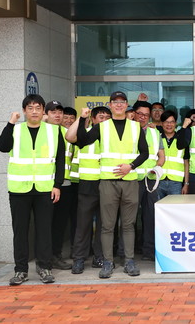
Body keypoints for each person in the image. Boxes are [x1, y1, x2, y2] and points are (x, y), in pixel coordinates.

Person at [74, 91, 149, 279]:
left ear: (126, 105)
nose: (119, 104)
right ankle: (107, 262)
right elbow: (82, 141)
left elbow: (145, 153)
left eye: (122, 102)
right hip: (108, 181)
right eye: (115, 102)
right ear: (110, 105)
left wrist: (131, 166)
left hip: (130, 181)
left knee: (129, 224)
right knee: (107, 226)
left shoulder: (136, 127)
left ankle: (129, 261)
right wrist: (83, 119)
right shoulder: (102, 127)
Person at [0, 94, 64, 286]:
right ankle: (20, 270)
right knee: (20, 231)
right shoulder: (16, 130)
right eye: (30, 108)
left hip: (45, 189)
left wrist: (57, 185)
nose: (34, 111)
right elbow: (2, 147)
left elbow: (60, 160)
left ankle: (45, 268)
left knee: (44, 230)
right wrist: (10, 123)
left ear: (43, 111)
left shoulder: (53, 131)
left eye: (38, 108)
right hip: (19, 189)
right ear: (24, 111)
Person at [65, 106, 111, 274]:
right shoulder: (84, 133)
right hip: (87, 184)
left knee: (104, 225)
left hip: (107, 184)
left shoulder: (112, 136)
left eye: (107, 117)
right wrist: (81, 117)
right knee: (83, 224)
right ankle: (79, 259)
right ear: (93, 119)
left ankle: (99, 257)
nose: (104, 120)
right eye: (101, 117)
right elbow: (69, 136)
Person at [45, 100, 76, 271]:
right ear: (46, 114)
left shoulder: (66, 134)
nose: (58, 115)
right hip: (44, 185)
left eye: (60, 112)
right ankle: (45, 258)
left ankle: (56, 256)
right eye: (53, 112)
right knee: (45, 224)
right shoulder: (42, 131)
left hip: (65, 184)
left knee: (60, 224)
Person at [133, 101, 165, 261]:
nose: (143, 117)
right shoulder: (128, 131)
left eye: (146, 115)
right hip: (132, 179)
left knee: (150, 216)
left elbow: (162, 156)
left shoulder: (155, 133)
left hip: (150, 180)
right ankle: (127, 253)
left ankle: (149, 251)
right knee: (130, 218)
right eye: (140, 114)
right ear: (134, 114)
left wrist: (157, 167)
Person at [157, 110, 188, 199]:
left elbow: (186, 162)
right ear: (161, 123)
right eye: (166, 122)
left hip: (176, 182)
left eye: (172, 122)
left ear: (176, 123)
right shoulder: (156, 138)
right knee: (158, 206)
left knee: (175, 206)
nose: (169, 125)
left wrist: (186, 183)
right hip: (158, 181)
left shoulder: (181, 139)